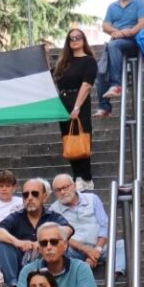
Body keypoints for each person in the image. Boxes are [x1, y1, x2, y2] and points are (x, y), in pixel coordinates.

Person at [0, 176, 53, 287]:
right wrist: (17, 242)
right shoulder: (16, 216)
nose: (30, 198)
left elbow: (67, 230)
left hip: (44, 262)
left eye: (35, 194)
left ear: (44, 197)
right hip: (19, 260)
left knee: (58, 242)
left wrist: (42, 242)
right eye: (25, 195)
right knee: (3, 242)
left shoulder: (53, 216)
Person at [53, 29, 98, 187]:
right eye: (71, 38)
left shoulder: (89, 61)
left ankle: (85, 178)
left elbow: (86, 85)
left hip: (79, 102)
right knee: (69, 139)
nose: (75, 40)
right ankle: (77, 176)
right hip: (63, 103)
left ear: (83, 39)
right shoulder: (64, 62)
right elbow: (51, 76)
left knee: (81, 138)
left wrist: (77, 107)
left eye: (78, 37)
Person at [97, 0, 144, 112]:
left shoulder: (140, 3)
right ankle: (104, 106)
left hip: (133, 41)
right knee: (100, 69)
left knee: (113, 45)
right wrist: (119, 32)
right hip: (117, 40)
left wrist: (128, 33)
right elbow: (105, 26)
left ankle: (116, 85)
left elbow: (143, 23)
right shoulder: (112, 7)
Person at [49, 174, 109, 268]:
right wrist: (84, 249)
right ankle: (79, 270)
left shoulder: (93, 199)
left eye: (65, 187)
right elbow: (60, 236)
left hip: (100, 247)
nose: (63, 192)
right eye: (58, 190)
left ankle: (115, 276)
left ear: (74, 186)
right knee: (58, 249)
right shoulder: (53, 210)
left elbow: (104, 225)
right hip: (74, 251)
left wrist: (97, 250)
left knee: (122, 246)